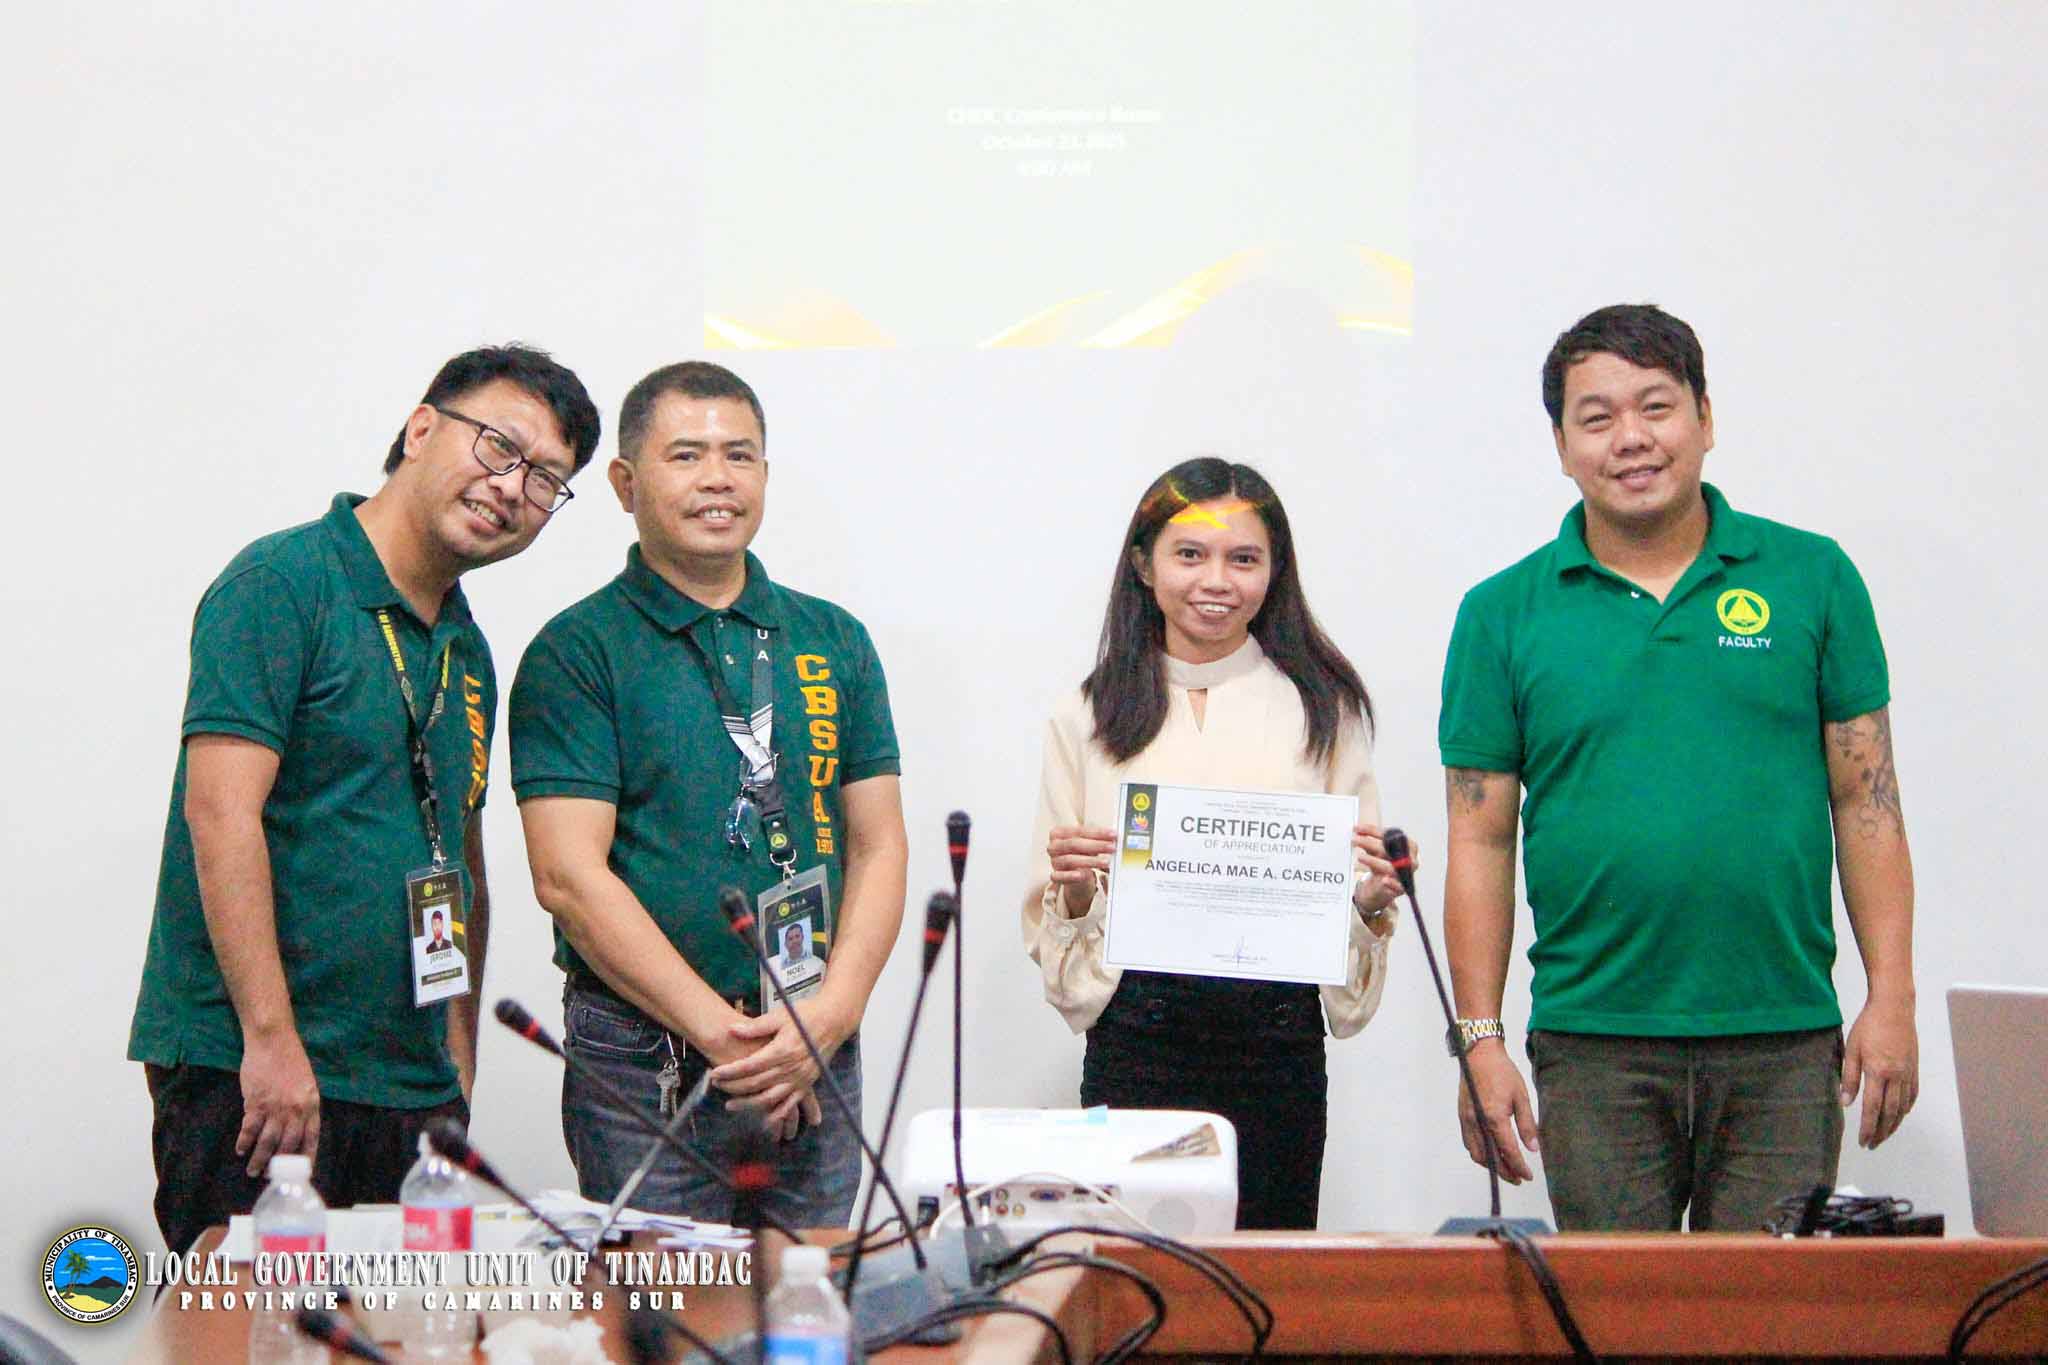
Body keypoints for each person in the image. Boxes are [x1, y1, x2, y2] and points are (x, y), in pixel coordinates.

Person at [1439, 303, 1918, 1231]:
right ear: (1561, 445)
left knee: (1764, 1307)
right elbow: (1480, 838)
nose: (1631, 438)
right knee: (1615, 1309)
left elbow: (1868, 799)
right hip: (1593, 1043)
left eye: (1656, 407)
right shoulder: (1500, 612)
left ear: (1705, 417)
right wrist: (1479, 1037)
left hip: (1783, 1037)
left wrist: (1889, 995)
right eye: (1597, 417)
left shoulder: (1812, 577)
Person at [127, 344, 601, 1255]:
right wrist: (271, 1040)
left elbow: (458, 858)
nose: (513, 488)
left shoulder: (466, 647)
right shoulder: (282, 584)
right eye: (500, 447)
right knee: (247, 1321)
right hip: (256, 1069)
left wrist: (456, 1063)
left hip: (408, 1085)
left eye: (546, 480)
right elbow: (219, 814)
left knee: (404, 1323)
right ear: (421, 428)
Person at [511, 361, 906, 1226]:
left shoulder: (832, 638)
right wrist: (736, 1043)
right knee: (663, 1298)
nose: (719, 478)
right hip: (644, 1055)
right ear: (625, 483)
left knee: (811, 1292)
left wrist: (830, 1016)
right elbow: (568, 877)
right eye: (686, 455)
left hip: (813, 1042)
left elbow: (878, 843)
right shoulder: (576, 650)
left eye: (741, 455)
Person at [1022, 457, 1405, 1229]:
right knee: (1136, 1267)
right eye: (1190, 554)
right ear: (1144, 564)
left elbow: (1351, 933)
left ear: (1275, 570)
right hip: (1138, 1040)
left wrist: (1370, 900)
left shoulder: (1322, 709)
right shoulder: (1087, 713)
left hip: (1276, 1047)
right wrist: (1074, 889)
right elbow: (1060, 944)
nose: (1216, 580)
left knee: (1267, 1271)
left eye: (1244, 558)